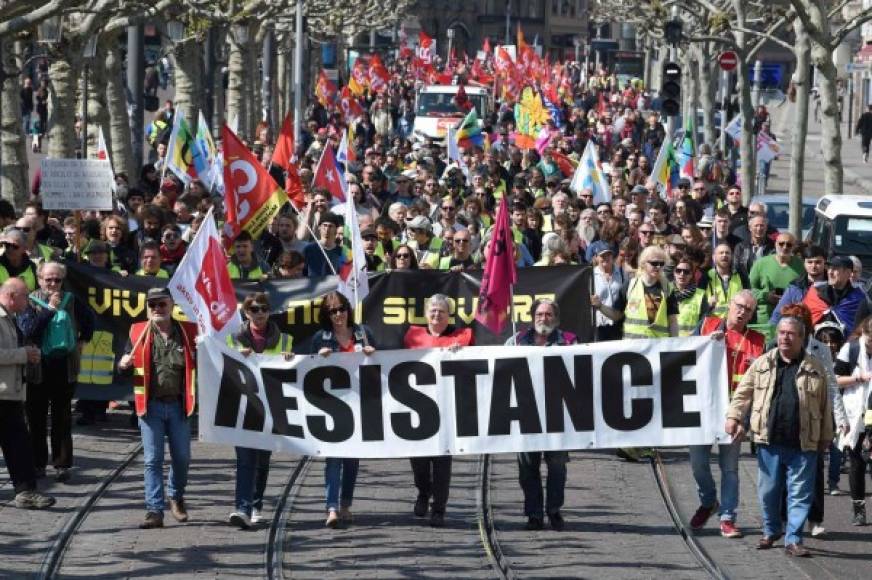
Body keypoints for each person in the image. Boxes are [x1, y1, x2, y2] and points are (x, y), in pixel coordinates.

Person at [726, 317, 833, 557]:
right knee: (769, 491)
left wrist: (827, 435)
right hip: (769, 440)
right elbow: (742, 394)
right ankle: (772, 529)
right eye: (782, 332)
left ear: (801, 338)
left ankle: (794, 538)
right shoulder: (763, 363)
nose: (785, 337)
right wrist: (733, 417)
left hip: (804, 442)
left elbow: (826, 405)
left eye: (791, 333)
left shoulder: (815, 366)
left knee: (800, 493)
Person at [118, 287, 198, 530]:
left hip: (179, 406)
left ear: (172, 305)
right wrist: (122, 364)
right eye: (152, 305)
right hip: (150, 406)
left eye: (162, 304)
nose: (157, 309)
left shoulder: (189, 331)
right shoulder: (137, 331)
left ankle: (176, 495)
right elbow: (124, 365)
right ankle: (154, 510)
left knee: (182, 458)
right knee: (152, 460)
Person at [691, 291, 764, 538]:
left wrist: (744, 420)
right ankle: (709, 500)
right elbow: (683, 354)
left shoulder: (757, 341)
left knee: (730, 468)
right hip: (703, 408)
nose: (742, 312)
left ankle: (728, 517)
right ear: (729, 305)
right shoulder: (707, 325)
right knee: (698, 462)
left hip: (734, 412)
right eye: (739, 306)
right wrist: (704, 344)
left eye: (748, 310)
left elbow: (757, 386)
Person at [403, 294, 473, 527]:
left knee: (442, 462)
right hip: (419, 408)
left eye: (441, 311)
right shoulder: (413, 335)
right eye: (432, 310)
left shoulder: (462, 336)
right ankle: (424, 492)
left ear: (448, 315)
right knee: (419, 462)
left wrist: (462, 352)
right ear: (426, 314)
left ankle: (439, 509)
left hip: (448, 408)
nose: (436, 314)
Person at [507, 298, 576, 531]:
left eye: (548, 314)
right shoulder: (516, 341)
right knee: (527, 466)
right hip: (525, 413)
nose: (543, 318)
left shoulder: (569, 342)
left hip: (558, 414)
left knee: (557, 465)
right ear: (532, 316)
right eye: (539, 314)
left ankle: (554, 510)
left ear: (555, 319)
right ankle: (534, 513)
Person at [227, 293, 294, 529]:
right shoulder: (233, 339)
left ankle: (255, 505)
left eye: (264, 308)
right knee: (245, 460)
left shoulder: (285, 339)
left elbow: (292, 374)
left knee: (262, 461)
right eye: (254, 309)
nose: (260, 313)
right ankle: (242, 508)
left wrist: (290, 360)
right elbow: (218, 363)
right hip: (243, 409)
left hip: (270, 409)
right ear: (246, 313)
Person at [23, 262, 94, 483]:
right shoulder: (28, 301)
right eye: (48, 279)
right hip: (37, 368)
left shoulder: (72, 300)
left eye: (57, 280)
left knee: (62, 418)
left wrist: (82, 340)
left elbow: (90, 321)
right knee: (36, 418)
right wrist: (49, 310)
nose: (53, 284)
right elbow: (29, 330)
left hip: (65, 367)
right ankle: (37, 463)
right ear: (39, 278)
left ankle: (62, 464)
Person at [310, 291, 375, 528]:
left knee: (352, 461)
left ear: (348, 308)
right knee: (334, 459)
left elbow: (383, 365)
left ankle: (346, 504)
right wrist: (318, 357)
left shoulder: (363, 333)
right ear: (326, 315)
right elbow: (307, 368)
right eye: (332, 311)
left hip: (359, 406)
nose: (338, 314)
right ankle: (332, 508)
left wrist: (372, 353)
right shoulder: (321, 337)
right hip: (332, 407)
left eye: (341, 309)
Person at [0, 278, 55, 509]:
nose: (29, 301)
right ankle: (25, 491)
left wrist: (27, 353)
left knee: (19, 444)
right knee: (18, 443)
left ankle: (25, 491)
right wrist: (23, 354)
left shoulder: (10, 318)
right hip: (2, 394)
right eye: (25, 296)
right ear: (12, 296)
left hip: (10, 393)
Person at [833, 315, 872, 526]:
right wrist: (859, 378)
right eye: (870, 343)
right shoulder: (851, 349)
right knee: (856, 462)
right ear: (864, 334)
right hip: (855, 413)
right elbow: (836, 380)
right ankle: (859, 509)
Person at [803, 255, 871, 336]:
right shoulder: (815, 292)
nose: (830, 272)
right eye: (829, 268)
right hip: (814, 345)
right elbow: (803, 320)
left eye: (835, 269)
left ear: (848, 273)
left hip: (846, 346)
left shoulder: (859, 298)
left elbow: (864, 329)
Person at [623, 246, 679, 339]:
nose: (658, 267)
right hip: (633, 347)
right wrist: (600, 306)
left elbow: (672, 321)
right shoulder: (630, 285)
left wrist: (675, 345)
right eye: (654, 263)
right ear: (643, 264)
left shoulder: (667, 288)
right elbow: (616, 314)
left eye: (661, 264)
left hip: (658, 346)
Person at [749, 233, 803, 323]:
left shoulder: (801, 266)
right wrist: (766, 296)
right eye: (781, 244)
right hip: (764, 318)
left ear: (794, 247)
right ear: (775, 244)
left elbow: (806, 291)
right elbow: (748, 290)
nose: (785, 247)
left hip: (791, 318)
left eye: (789, 245)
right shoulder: (761, 264)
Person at [589, 240, 626, 341]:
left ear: (612, 256)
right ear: (596, 257)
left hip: (618, 324)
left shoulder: (622, 273)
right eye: (602, 255)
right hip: (599, 326)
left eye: (608, 255)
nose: (605, 258)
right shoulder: (590, 275)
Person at [705, 243, 750, 319]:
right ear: (714, 257)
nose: (724, 255)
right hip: (713, 324)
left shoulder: (741, 276)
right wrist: (708, 304)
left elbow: (748, 298)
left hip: (735, 322)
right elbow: (697, 305)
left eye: (727, 253)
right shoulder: (706, 277)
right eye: (721, 253)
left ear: (731, 256)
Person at [673, 254, 709, 337]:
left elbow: (704, 321)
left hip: (690, 343)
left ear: (691, 275)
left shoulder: (701, 295)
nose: (682, 274)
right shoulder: (666, 292)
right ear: (674, 273)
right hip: (669, 342)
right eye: (678, 270)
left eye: (686, 272)